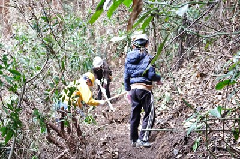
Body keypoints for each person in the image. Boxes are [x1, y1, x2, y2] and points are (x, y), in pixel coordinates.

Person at [124, 33, 162, 148]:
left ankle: (134, 140)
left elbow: (126, 76)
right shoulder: (148, 57)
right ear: (146, 44)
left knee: (135, 115)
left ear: (134, 45)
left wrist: (127, 91)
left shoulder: (128, 58)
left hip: (134, 90)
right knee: (150, 113)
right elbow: (151, 75)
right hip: (144, 89)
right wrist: (159, 78)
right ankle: (143, 138)